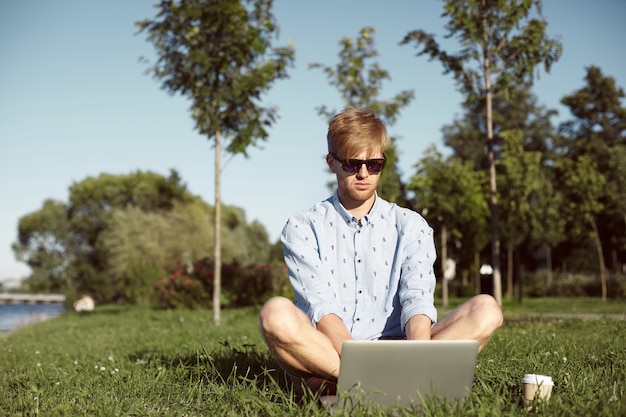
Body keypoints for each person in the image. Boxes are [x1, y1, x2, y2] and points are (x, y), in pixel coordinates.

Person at [259, 107, 503, 398]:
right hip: (331, 351)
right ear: (331, 163)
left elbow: (417, 300)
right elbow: (320, 306)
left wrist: (417, 355)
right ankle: (382, 382)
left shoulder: (412, 226)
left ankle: (360, 383)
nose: (363, 173)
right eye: (352, 164)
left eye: (374, 164)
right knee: (274, 313)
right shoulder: (302, 226)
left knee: (486, 309)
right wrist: (358, 362)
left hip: (401, 349)